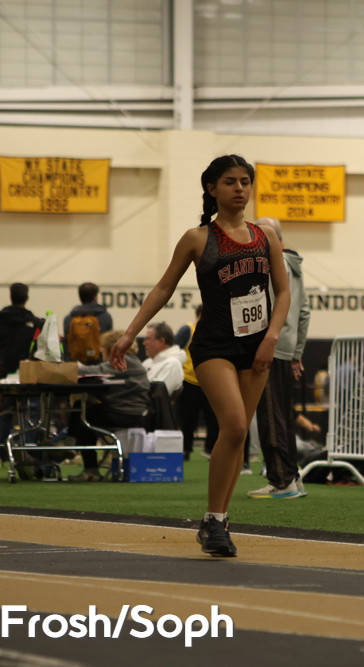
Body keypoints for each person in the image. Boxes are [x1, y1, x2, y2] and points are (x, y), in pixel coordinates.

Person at [110, 154, 290, 558]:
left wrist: (272, 336)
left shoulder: (266, 236)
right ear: (212, 188)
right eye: (230, 181)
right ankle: (212, 518)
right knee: (235, 425)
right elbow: (163, 288)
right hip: (214, 345)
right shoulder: (198, 237)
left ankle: (218, 522)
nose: (239, 188)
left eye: (245, 181)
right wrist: (129, 334)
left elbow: (283, 292)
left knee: (238, 436)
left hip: (257, 346)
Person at [248, 217, 311, 500]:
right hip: (286, 348)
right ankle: (292, 477)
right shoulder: (295, 267)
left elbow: (266, 305)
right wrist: (296, 353)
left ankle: (281, 480)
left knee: (271, 418)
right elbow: (304, 313)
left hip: (269, 347)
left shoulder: (273, 264)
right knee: (283, 416)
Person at [67, 330, 150, 481]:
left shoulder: (124, 360)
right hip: (130, 413)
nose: (100, 351)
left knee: (82, 413)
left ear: (111, 347)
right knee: (87, 414)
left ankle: (73, 448)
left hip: (123, 414)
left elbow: (94, 370)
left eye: (103, 348)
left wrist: (67, 367)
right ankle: (71, 444)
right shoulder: (133, 361)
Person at [0, 282, 44, 469]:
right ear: (27, 297)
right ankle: (28, 449)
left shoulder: (1, 319)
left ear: (10, 296)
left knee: (6, 412)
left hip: (6, 371)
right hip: (27, 372)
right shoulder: (33, 321)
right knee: (32, 411)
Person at [176, 305, 219, 461]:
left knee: (213, 418)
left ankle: (210, 448)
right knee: (188, 418)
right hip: (190, 381)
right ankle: (185, 449)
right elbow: (175, 350)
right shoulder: (188, 330)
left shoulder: (212, 331)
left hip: (209, 381)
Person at [62, 282, 114, 356]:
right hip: (99, 360)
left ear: (80, 298)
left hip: (74, 360)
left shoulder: (69, 318)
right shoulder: (105, 317)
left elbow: (67, 343)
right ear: (95, 298)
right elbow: (108, 342)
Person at [141, 321, 185, 395]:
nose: (144, 343)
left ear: (161, 341)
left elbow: (158, 395)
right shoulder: (147, 362)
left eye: (148, 339)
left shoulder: (172, 364)